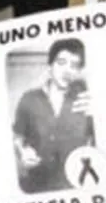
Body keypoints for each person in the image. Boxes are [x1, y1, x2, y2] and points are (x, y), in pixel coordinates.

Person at [12, 37, 94, 194]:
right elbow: (17, 134)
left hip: (75, 187)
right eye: (61, 62)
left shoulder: (87, 100)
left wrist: (101, 116)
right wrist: (22, 151)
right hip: (35, 185)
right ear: (50, 66)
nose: (67, 70)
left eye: (74, 65)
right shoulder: (29, 98)